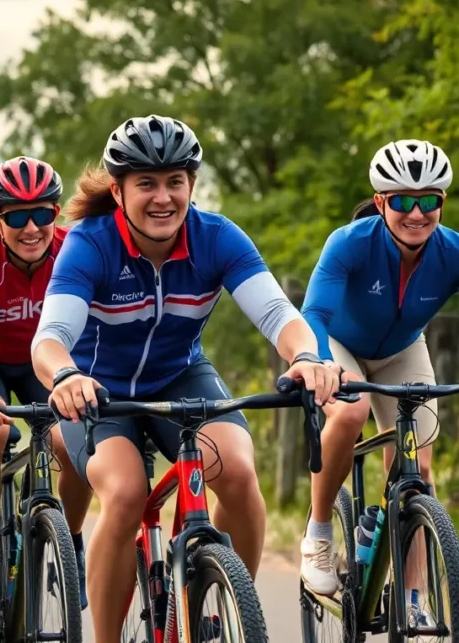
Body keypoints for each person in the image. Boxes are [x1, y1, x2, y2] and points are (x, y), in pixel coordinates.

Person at [30, 115, 342, 638]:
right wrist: (64, 375)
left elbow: (278, 315)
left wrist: (306, 357)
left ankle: (222, 601)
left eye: (175, 182)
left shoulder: (216, 238)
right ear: (118, 189)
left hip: (180, 375)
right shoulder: (90, 243)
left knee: (239, 477)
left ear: (191, 186)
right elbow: (50, 336)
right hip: (98, 391)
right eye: (146, 183)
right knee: (127, 494)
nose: (162, 198)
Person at [0, 157, 94, 642]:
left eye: (42, 215)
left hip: (45, 365)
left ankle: (69, 543)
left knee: (73, 440)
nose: (31, 227)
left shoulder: (74, 251)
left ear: (57, 213)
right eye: (15, 216)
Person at [301, 139, 457, 598]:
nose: (416, 213)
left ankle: (413, 597)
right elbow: (314, 315)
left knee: (418, 466)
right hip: (340, 344)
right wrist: (324, 364)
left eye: (427, 200)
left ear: (441, 203)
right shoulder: (349, 244)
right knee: (350, 412)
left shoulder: (451, 252)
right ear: (380, 202)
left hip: (402, 350)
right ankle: (319, 533)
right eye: (402, 201)